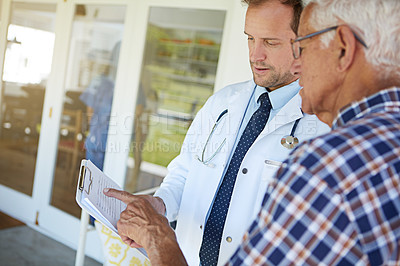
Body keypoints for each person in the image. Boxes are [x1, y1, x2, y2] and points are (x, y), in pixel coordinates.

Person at [104, 0, 400, 264]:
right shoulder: (222, 102)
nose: (255, 55)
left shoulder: (327, 139)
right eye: (250, 39)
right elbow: (186, 168)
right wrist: (161, 203)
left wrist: (158, 238)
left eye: (271, 43)